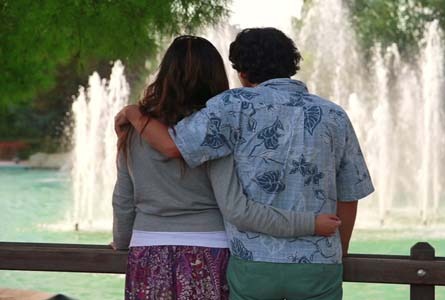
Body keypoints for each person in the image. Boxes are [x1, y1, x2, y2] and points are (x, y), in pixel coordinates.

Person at [115, 28, 374, 300]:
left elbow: (172, 146)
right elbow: (350, 193)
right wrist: (338, 249)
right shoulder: (334, 114)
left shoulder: (229, 107)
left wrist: (134, 113)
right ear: (292, 65)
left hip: (251, 261)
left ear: (242, 73)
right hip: (318, 261)